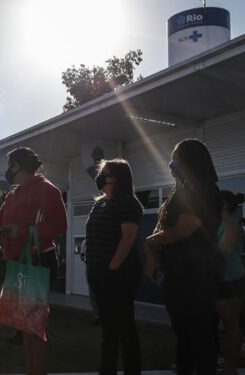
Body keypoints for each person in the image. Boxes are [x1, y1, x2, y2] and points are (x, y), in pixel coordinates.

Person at [0, 147, 68, 375]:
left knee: (34, 329)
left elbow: (60, 225)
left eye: (9, 164)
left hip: (37, 262)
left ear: (17, 166)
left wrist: (22, 230)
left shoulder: (47, 190)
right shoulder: (14, 194)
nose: (6, 170)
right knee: (25, 328)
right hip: (19, 263)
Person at [145, 139, 223, 375]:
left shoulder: (205, 191)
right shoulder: (182, 190)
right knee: (184, 335)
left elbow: (185, 227)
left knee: (199, 335)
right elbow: (165, 225)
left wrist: (151, 242)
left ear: (191, 160)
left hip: (196, 274)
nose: (172, 163)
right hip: (177, 274)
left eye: (176, 157)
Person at [85, 159, 143, 375]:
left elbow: (128, 238)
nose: (100, 178)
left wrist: (112, 269)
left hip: (119, 274)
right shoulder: (99, 203)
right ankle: (107, 370)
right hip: (98, 272)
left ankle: (131, 370)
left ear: (118, 178)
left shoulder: (127, 202)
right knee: (109, 328)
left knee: (125, 326)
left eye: (105, 174)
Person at [215, 191, 245, 375]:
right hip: (217, 281)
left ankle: (231, 368)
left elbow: (220, 255)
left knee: (230, 325)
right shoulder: (215, 225)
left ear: (224, 204)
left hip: (231, 281)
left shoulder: (232, 227)